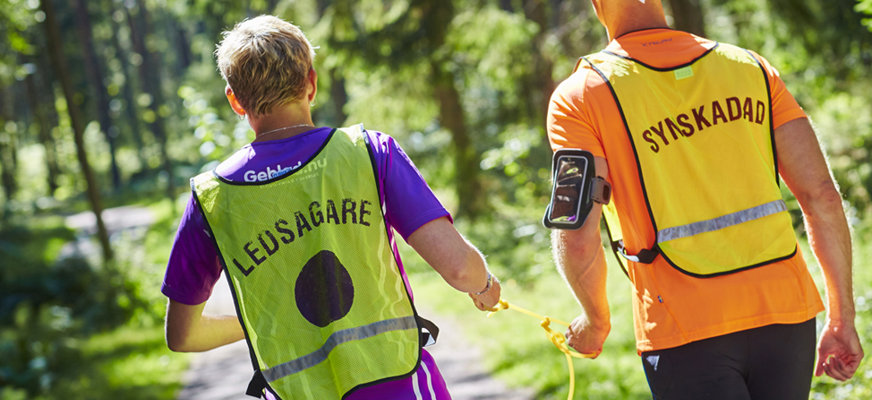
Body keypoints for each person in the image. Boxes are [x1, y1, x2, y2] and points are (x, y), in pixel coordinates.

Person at [161, 15, 501, 400]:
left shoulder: (211, 197)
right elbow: (459, 268)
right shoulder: (368, 152)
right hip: (398, 385)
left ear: (235, 100)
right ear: (311, 82)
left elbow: (183, 336)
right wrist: (485, 285)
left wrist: (265, 319)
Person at [545, 1, 863, 399]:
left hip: (683, 329)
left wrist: (596, 321)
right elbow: (823, 197)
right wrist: (842, 317)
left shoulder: (579, 97)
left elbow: (575, 231)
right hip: (785, 316)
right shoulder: (750, 68)